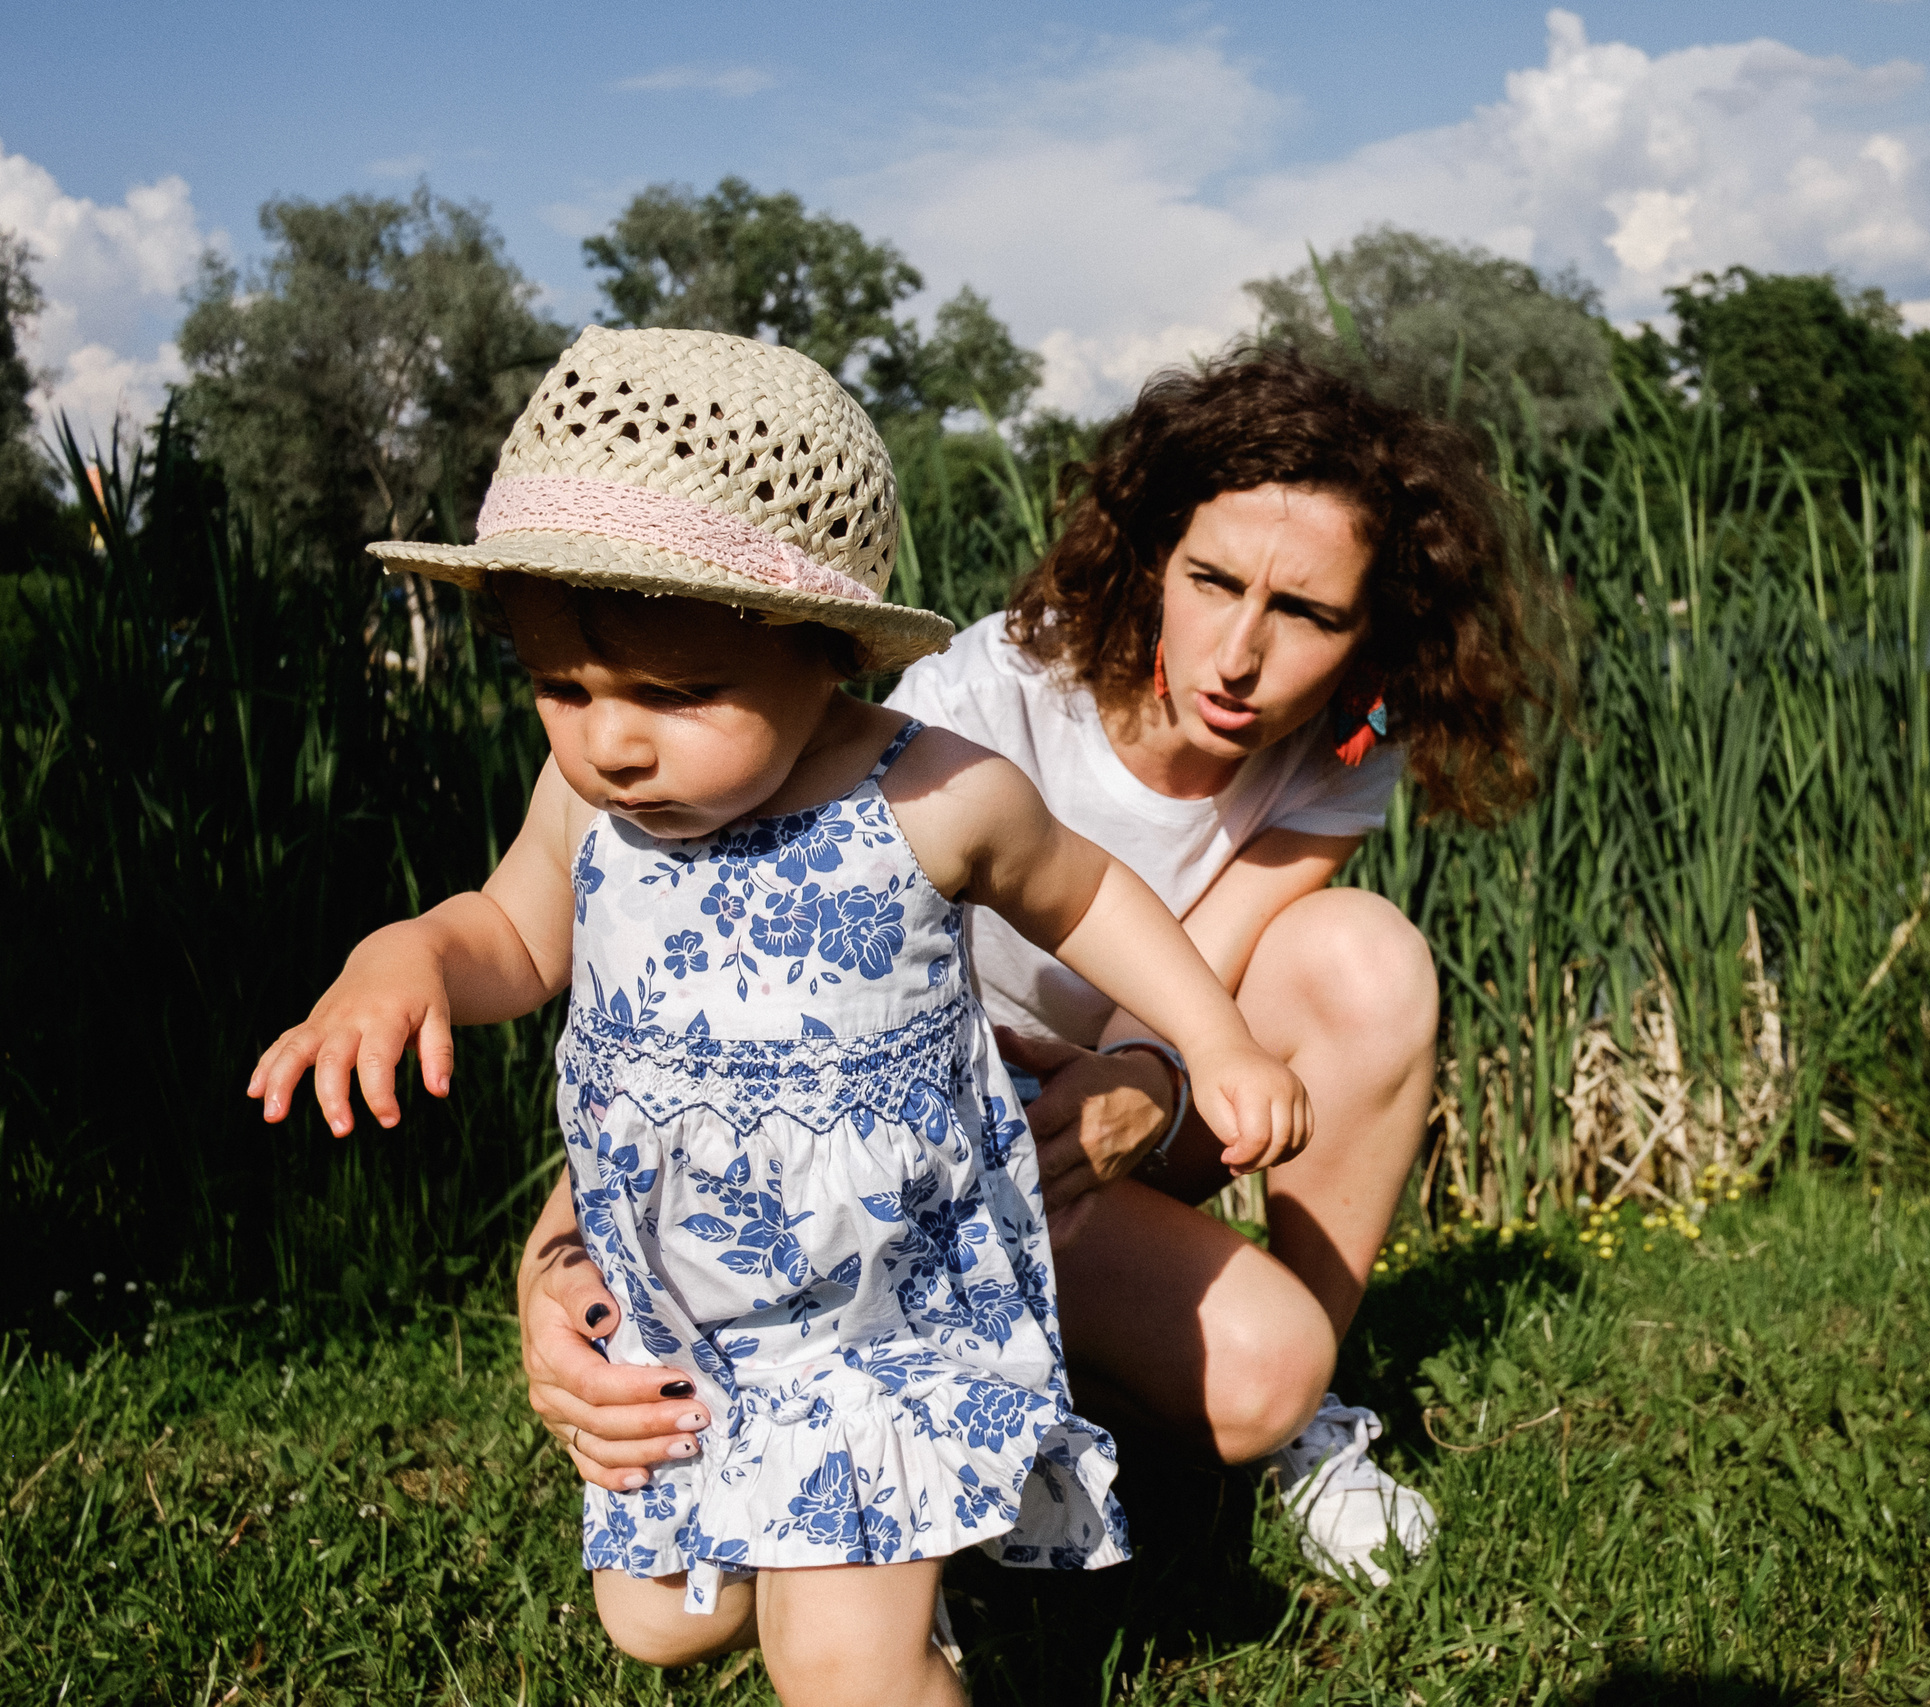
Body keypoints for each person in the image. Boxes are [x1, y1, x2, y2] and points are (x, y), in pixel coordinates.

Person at [246, 326, 1314, 1706]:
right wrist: (403, 954)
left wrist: (1210, 1039)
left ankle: (886, 1610)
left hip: (878, 1297)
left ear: (826, 657)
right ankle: (889, 1566)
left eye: (676, 692)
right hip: (684, 1292)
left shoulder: (931, 795)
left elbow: (1090, 893)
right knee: (661, 1624)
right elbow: (509, 934)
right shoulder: (589, 803)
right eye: (561, 687)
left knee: (840, 1665)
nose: (611, 739)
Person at [516, 346, 1565, 1585]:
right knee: (674, 1601)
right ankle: (917, 1460)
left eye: (1307, 614)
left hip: (1103, 1104)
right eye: (1212, 581)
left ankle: (1294, 1431)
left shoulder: (1346, 750)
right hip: (901, 1145)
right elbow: (721, 983)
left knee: (1366, 961)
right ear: (1156, 558)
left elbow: (1206, 962)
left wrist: (1145, 1082)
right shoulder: (984, 701)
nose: (1238, 655)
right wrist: (561, 1251)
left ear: (1373, 633)